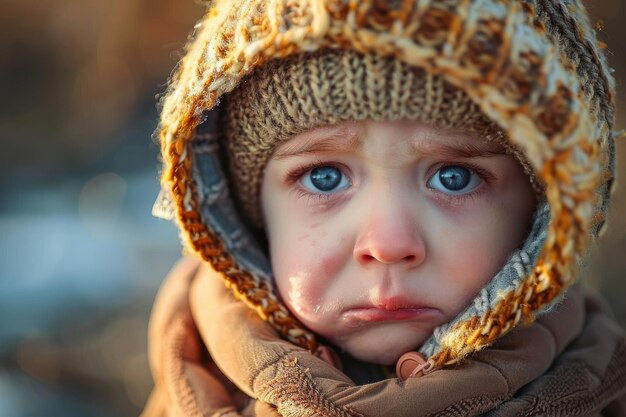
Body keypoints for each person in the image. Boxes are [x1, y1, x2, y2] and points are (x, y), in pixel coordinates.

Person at [142, 1, 626, 416]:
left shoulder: (602, 387)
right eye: (324, 176)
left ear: (547, 215)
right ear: (250, 219)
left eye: (453, 178)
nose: (388, 244)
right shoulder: (193, 386)